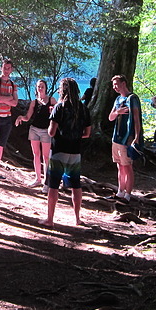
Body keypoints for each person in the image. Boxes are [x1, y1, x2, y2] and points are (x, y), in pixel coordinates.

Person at [40, 77, 91, 227]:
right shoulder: (83, 109)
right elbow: (87, 133)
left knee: (53, 185)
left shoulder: (59, 107)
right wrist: (74, 134)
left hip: (58, 151)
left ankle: (50, 220)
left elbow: (51, 132)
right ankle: (77, 218)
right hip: (75, 152)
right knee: (76, 185)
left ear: (63, 90)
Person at [15, 79, 56, 190]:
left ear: (46, 88)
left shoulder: (51, 100)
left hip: (46, 131)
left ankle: (46, 182)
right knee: (36, 154)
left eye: (42, 86)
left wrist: (52, 111)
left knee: (46, 156)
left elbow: (58, 114)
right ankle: (38, 178)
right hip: (34, 130)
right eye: (38, 86)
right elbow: (28, 117)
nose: (40, 88)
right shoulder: (34, 102)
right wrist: (20, 118)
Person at [107, 74, 143, 203]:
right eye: (113, 85)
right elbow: (110, 117)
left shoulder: (132, 98)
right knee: (119, 166)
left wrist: (137, 137)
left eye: (116, 84)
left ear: (123, 83)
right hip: (116, 137)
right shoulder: (117, 100)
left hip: (127, 138)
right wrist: (117, 112)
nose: (115, 87)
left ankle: (128, 194)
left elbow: (136, 119)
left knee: (127, 166)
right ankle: (120, 192)